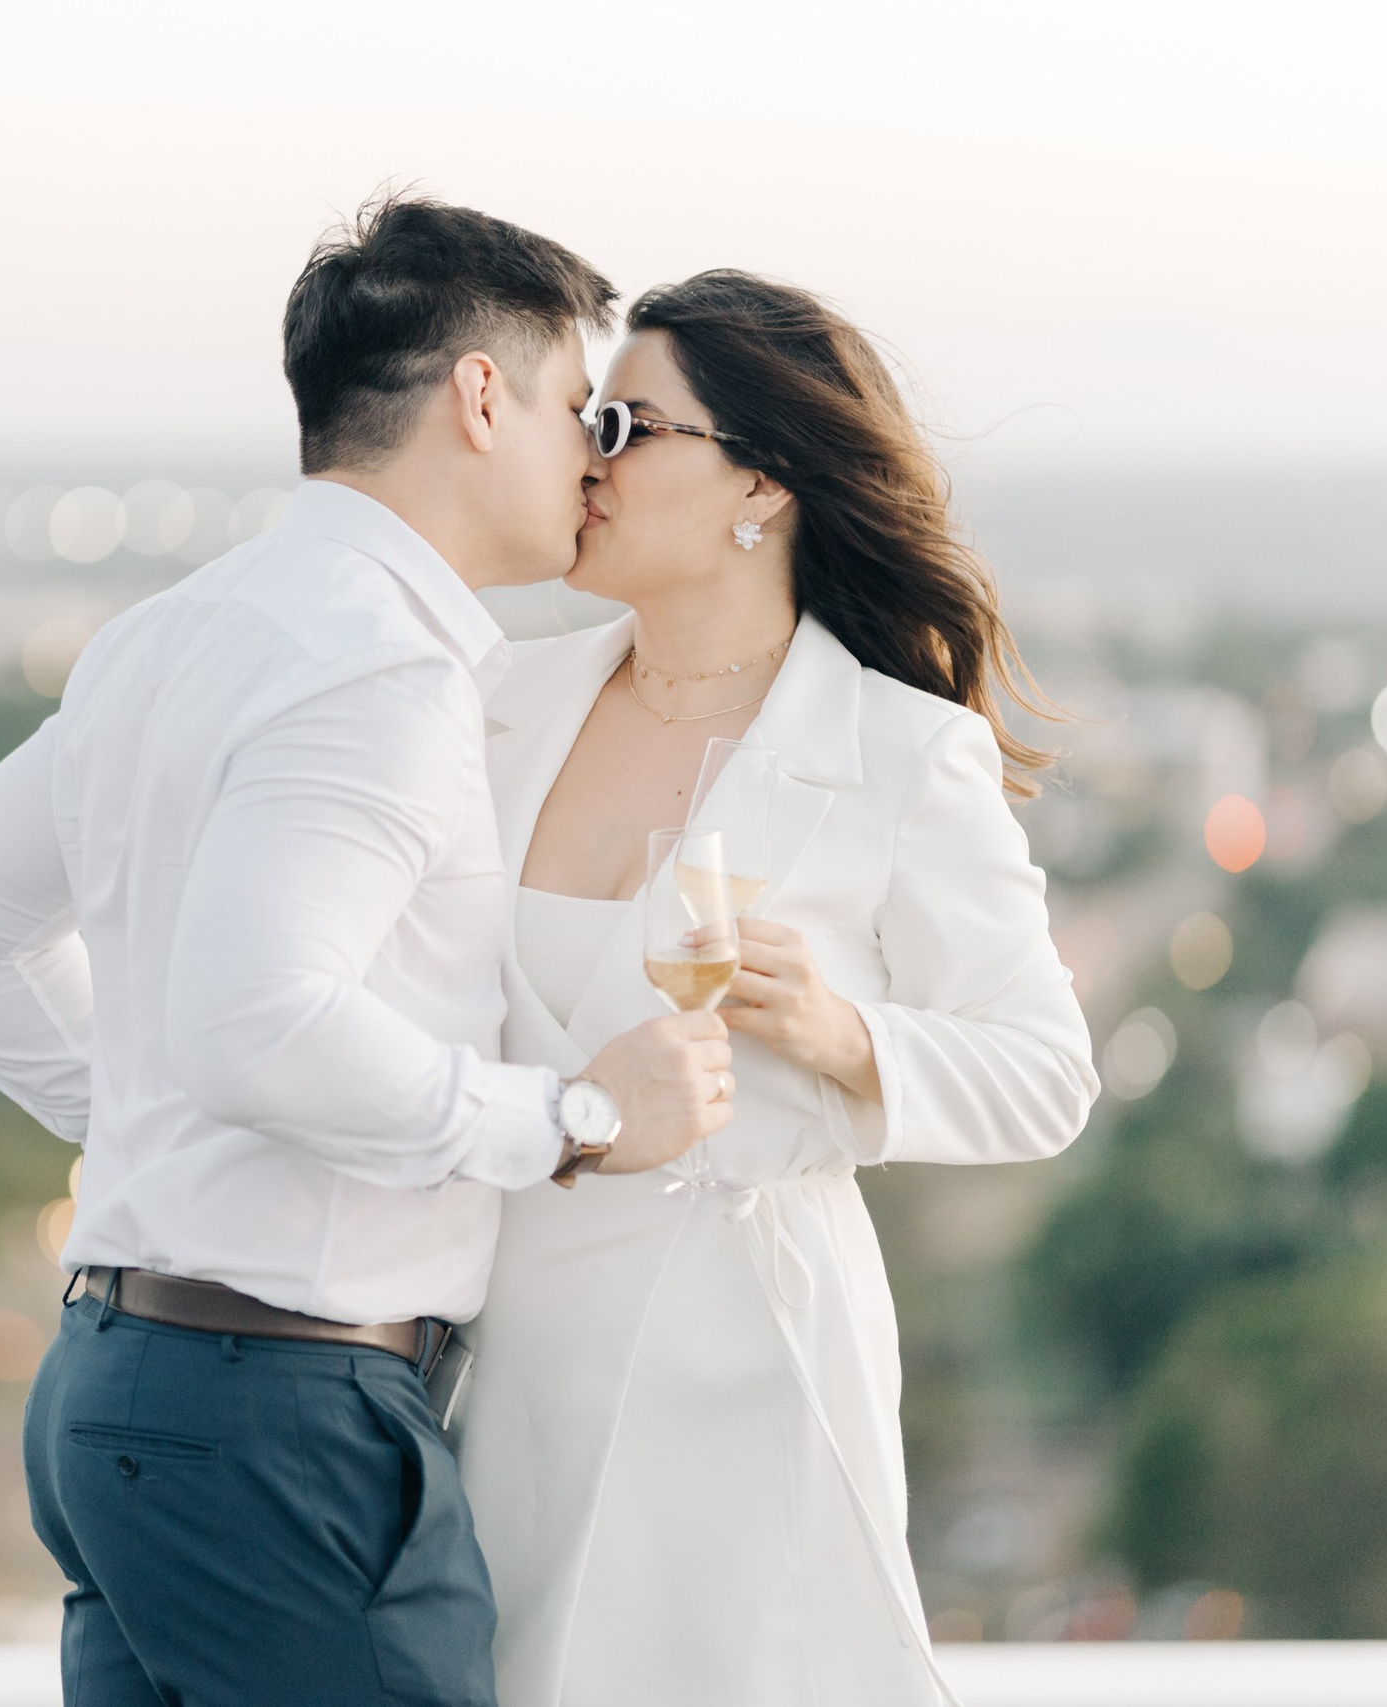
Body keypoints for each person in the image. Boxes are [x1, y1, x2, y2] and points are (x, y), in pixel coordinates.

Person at [0, 198, 733, 1707]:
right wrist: (574, 1122)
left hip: (122, 1385)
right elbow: (259, 1023)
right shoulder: (381, 670)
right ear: (482, 399)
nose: (591, 454)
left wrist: (149, 1116)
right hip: (280, 1421)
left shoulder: (170, 634)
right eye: (574, 406)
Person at [452, 271, 1100, 1706]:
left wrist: (845, 1034)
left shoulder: (903, 754)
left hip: (751, 1368)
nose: (587, 455)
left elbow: (1048, 1075)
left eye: (629, 423)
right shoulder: (501, 702)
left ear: (764, 484)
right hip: (499, 1363)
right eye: (587, 418)